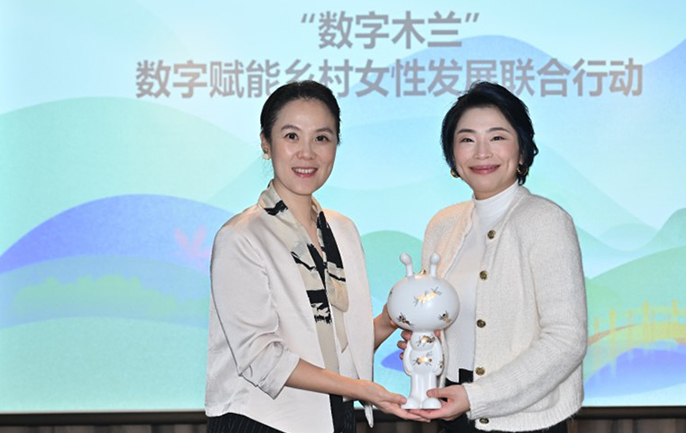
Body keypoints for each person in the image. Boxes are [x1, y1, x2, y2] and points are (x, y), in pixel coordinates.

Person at [205, 81, 420, 433]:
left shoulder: (342, 230)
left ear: (337, 144)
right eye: (291, 136)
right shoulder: (240, 237)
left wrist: (393, 317)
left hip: (333, 419)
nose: (307, 153)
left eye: (321, 138)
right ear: (265, 142)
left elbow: (334, 346)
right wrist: (362, 389)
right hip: (260, 422)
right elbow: (261, 358)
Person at [403, 82, 587, 432]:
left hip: (527, 423)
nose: (481, 152)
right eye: (467, 139)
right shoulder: (442, 226)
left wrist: (477, 396)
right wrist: (424, 346)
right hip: (454, 415)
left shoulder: (546, 221)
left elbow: (567, 339)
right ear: (453, 157)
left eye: (497, 137)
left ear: (522, 152)